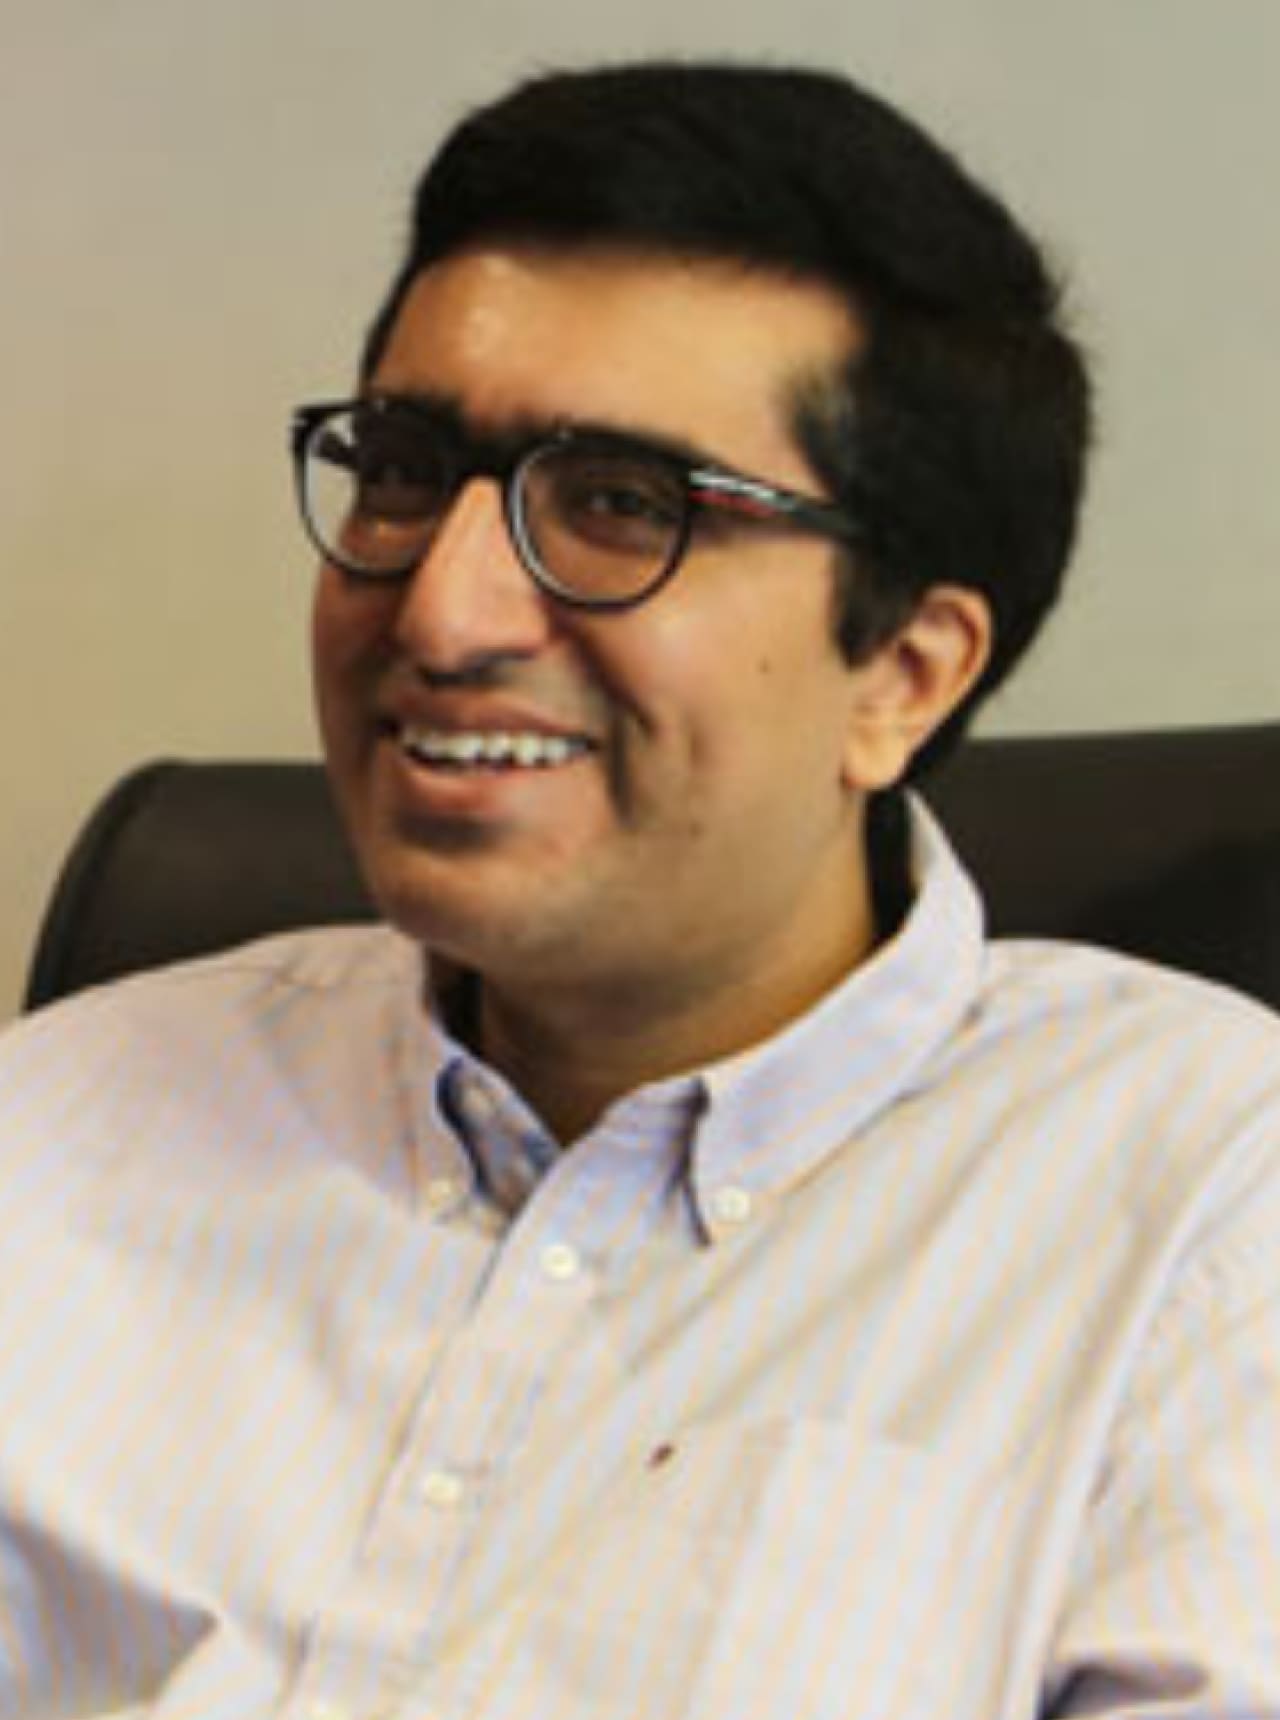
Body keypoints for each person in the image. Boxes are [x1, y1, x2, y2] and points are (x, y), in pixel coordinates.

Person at [1, 60, 1277, 1720]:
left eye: (620, 507)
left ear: (902, 672)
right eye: (405, 468)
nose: (442, 611)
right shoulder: (52, 1126)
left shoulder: (1208, 1209)